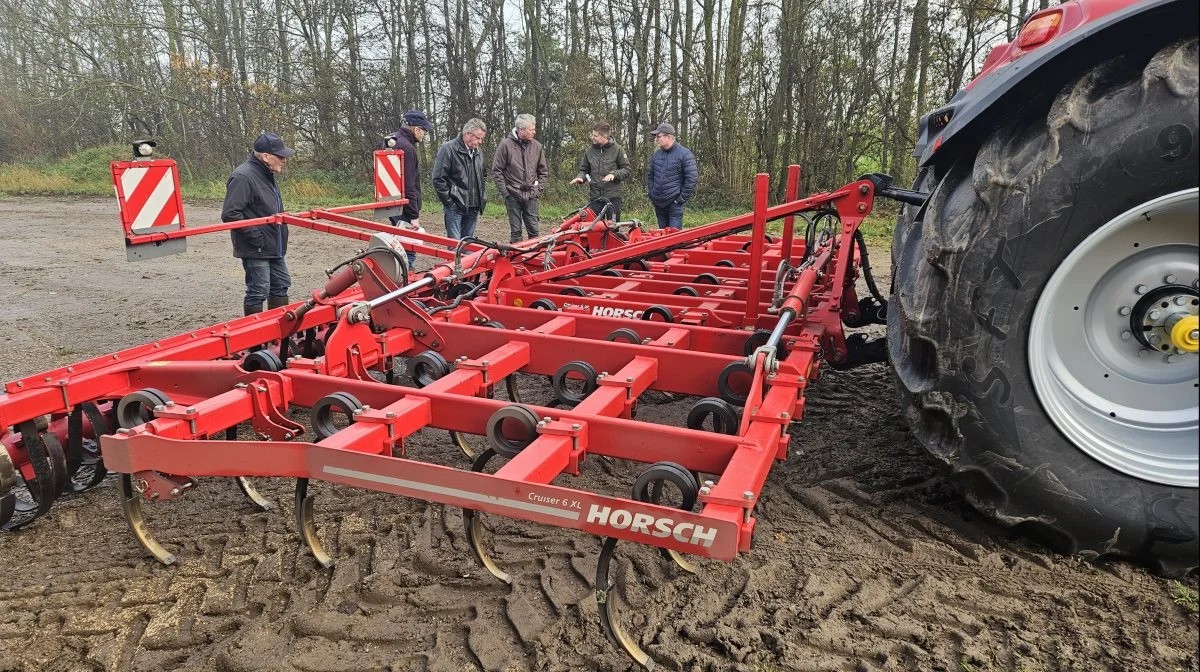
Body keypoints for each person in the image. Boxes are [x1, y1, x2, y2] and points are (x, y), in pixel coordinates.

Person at [222, 131, 295, 315]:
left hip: (274, 244)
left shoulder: (267, 173)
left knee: (281, 284)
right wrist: (256, 236)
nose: (284, 160)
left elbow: (265, 206)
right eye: (280, 157)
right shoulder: (243, 177)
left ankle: (278, 335)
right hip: (257, 247)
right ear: (265, 156)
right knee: (259, 290)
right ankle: (256, 342)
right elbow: (231, 213)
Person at [385, 110, 435, 267]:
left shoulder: (391, 141)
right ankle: (405, 279)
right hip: (404, 207)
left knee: (399, 242)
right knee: (408, 249)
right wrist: (414, 215)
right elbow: (409, 185)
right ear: (416, 129)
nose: (424, 135)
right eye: (424, 131)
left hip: (390, 202)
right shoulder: (407, 148)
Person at [492, 113, 548, 242]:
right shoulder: (505, 145)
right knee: (516, 232)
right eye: (531, 129)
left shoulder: (537, 146)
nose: (534, 132)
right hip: (513, 195)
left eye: (534, 129)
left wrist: (537, 190)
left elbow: (543, 172)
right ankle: (516, 260)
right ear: (521, 130)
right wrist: (506, 193)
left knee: (534, 231)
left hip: (531, 195)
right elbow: (496, 171)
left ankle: (534, 258)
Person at [433, 118, 488, 240]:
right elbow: (438, 179)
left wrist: (482, 196)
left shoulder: (478, 152)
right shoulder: (448, 149)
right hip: (455, 207)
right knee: (455, 246)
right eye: (478, 138)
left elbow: (483, 176)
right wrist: (450, 202)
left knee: (468, 245)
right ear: (468, 134)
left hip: (474, 207)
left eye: (481, 138)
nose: (481, 141)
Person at [571, 122, 631, 222]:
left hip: (613, 198)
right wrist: (581, 177)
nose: (592, 137)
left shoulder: (618, 150)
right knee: (595, 230)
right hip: (595, 198)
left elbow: (627, 169)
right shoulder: (589, 151)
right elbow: (584, 170)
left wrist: (614, 174)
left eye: (595, 136)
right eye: (592, 135)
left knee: (613, 229)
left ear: (605, 137)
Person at [646, 122, 698, 231]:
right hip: (658, 203)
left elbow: (691, 179)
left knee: (674, 238)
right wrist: (652, 194)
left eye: (658, 136)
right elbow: (650, 176)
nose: (656, 139)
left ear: (668, 136)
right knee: (662, 239)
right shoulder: (656, 155)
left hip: (674, 204)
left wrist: (680, 199)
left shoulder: (685, 154)